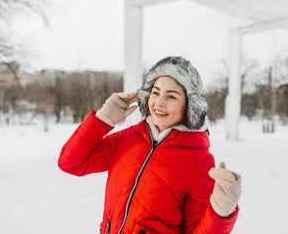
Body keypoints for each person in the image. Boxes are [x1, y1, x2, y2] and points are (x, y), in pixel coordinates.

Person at [58, 56, 242, 234]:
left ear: (189, 106)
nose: (159, 103)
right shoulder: (128, 138)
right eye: (155, 92)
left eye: (171, 96)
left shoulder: (199, 161)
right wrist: (104, 119)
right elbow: (71, 162)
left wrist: (221, 210)